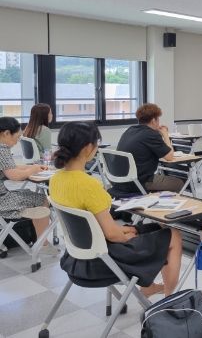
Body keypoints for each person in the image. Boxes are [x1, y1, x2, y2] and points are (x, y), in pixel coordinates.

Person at [49, 122, 182, 297]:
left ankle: (148, 288)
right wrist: (126, 236)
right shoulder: (89, 185)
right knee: (173, 234)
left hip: (75, 258)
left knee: (145, 229)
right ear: (88, 147)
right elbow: (112, 235)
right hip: (101, 261)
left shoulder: (55, 179)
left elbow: (95, 226)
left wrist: (126, 230)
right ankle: (170, 299)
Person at [0, 117, 58, 255]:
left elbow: (10, 167)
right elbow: (14, 176)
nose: (17, 141)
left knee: (30, 194)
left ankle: (38, 237)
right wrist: (32, 170)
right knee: (42, 199)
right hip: (3, 200)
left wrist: (31, 167)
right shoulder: (2, 149)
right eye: (17, 137)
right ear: (6, 133)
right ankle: (43, 243)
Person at [115, 103, 183, 196]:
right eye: (158, 119)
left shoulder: (130, 130)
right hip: (138, 182)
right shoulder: (151, 134)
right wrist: (165, 134)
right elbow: (169, 157)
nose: (159, 122)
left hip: (119, 179)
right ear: (153, 120)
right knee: (178, 183)